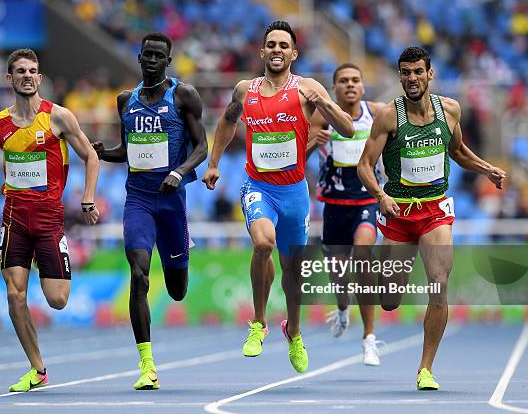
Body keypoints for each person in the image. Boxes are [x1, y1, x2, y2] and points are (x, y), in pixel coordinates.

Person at [202, 21, 354, 373]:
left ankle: (295, 332)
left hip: (295, 193)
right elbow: (226, 121)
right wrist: (213, 163)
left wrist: (324, 105)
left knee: (293, 270)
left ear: (293, 54)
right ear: (262, 51)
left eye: (283, 45)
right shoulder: (245, 89)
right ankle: (258, 322)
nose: (276, 50)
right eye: (271, 44)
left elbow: (346, 127)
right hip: (258, 187)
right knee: (262, 244)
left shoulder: (307, 88)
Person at [357, 46, 506, 390]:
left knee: (439, 284)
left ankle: (425, 368)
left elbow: (456, 152)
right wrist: (381, 196)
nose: (411, 78)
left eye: (417, 72)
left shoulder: (450, 110)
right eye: (405, 73)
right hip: (398, 213)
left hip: (434, 211)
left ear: (430, 74)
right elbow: (364, 164)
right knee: (390, 300)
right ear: (400, 76)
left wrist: (486, 169)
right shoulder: (388, 116)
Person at [0, 48, 100, 392]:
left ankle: (48, 261)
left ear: (40, 78)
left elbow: (91, 156)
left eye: (33, 71)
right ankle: (37, 369)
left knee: (57, 299)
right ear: (9, 78)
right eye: (20, 71)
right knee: (15, 296)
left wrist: (87, 198)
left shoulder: (59, 117)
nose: (27, 75)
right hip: (13, 219)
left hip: (50, 220)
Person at [92, 32, 207, 390]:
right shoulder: (126, 100)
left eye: (159, 55)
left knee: (176, 290)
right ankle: (147, 365)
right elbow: (127, 152)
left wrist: (179, 172)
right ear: (139, 58)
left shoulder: (183, 95)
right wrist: (100, 151)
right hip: (138, 201)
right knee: (139, 274)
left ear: (168, 62)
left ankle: (179, 253)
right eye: (147, 55)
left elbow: (203, 146)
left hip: (172, 203)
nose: (152, 60)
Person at [307, 63, 386, 366]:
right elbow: (299, 159)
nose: (350, 85)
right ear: (335, 87)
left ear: (363, 87)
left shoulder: (377, 112)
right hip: (334, 205)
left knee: (363, 254)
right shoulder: (321, 115)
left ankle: (369, 338)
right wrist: (316, 141)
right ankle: (342, 307)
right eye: (343, 81)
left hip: (367, 200)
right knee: (339, 276)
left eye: (355, 80)